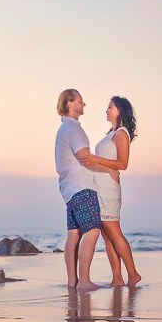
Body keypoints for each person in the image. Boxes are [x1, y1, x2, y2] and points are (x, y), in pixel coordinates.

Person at [82, 96, 141, 287]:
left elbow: (123, 163)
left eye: (110, 107)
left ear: (120, 111)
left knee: (114, 232)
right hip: (100, 187)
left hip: (109, 189)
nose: (106, 111)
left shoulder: (122, 133)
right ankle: (117, 278)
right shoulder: (111, 133)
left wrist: (96, 159)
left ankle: (133, 274)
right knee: (107, 235)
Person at [55, 89, 104, 292]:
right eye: (80, 100)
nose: (84, 104)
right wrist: (110, 167)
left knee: (74, 235)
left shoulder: (62, 129)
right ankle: (84, 281)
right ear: (70, 104)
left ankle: (72, 282)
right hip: (82, 187)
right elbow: (84, 157)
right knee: (92, 232)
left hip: (68, 190)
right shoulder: (73, 129)